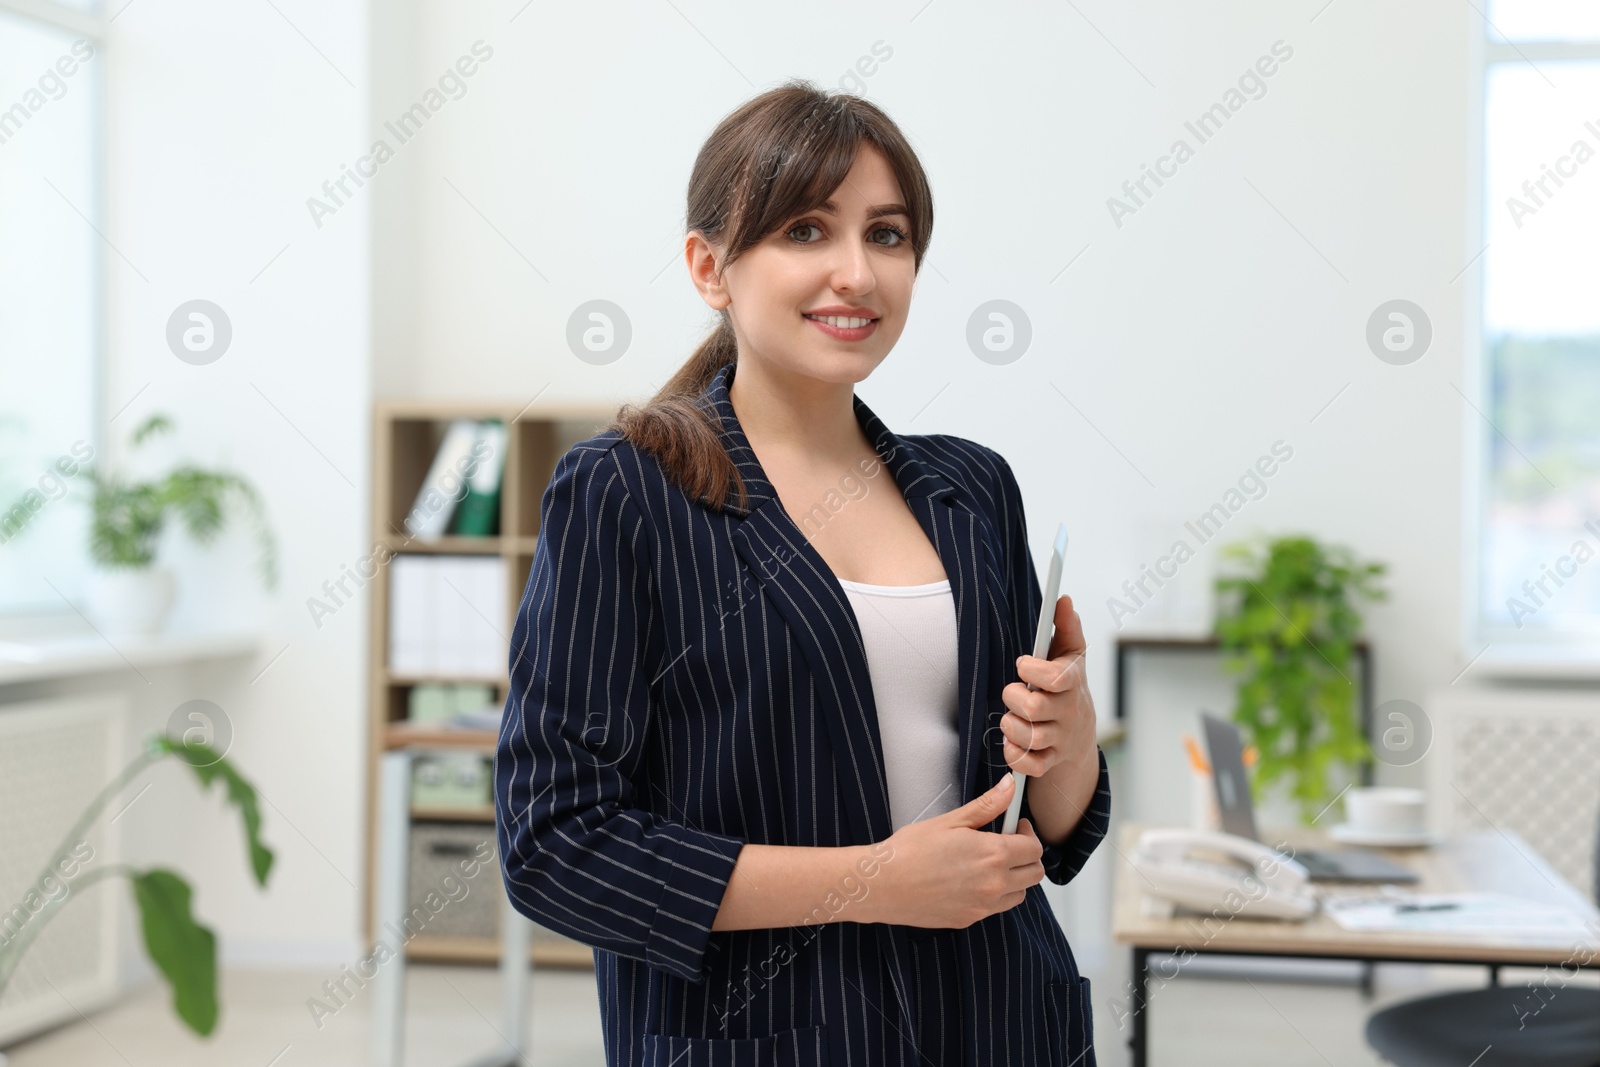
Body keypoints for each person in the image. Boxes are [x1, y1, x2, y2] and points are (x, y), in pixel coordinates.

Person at [493, 79, 1111, 1067]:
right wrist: (869, 879)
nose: (856, 272)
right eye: (806, 230)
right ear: (710, 267)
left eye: (889, 234)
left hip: (1002, 1022)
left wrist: (1069, 742)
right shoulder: (624, 491)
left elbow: (1040, 831)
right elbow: (557, 847)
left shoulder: (972, 487)